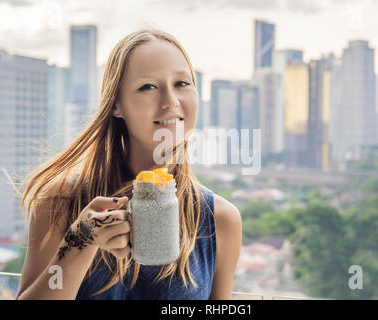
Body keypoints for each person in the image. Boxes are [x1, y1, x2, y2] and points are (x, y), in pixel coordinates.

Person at [15, 28, 242, 300]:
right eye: (148, 87)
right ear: (116, 105)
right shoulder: (61, 201)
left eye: (182, 83)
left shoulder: (220, 221)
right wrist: (80, 241)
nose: (171, 101)